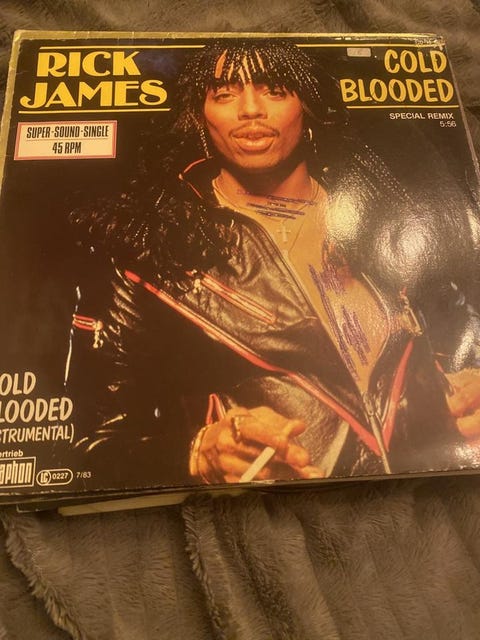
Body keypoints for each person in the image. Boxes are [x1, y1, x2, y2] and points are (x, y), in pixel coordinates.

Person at [67, 39, 480, 488]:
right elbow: (93, 442)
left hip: (419, 495)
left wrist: (465, 383)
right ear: (200, 113)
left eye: (275, 90)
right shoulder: (151, 253)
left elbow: (455, 330)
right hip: (282, 507)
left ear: (307, 106)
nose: (250, 109)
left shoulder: (382, 214)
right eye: (225, 93)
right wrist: (198, 452)